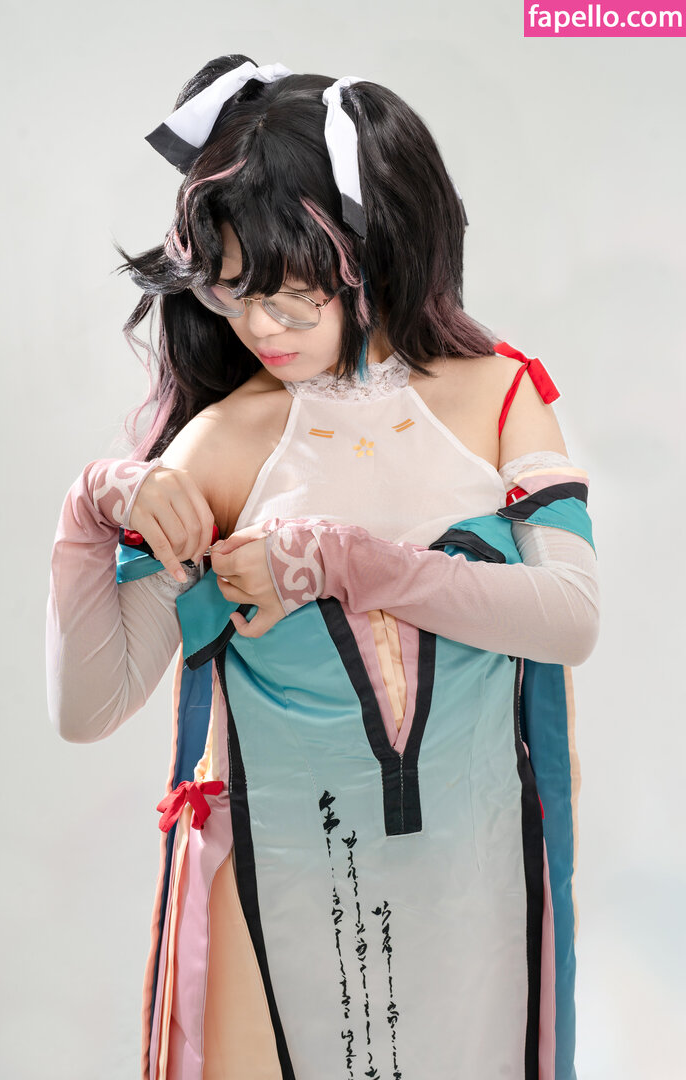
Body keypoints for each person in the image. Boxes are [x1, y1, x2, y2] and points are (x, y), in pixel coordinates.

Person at [45, 55, 600, 1080]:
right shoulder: (222, 443)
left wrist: (342, 560)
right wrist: (87, 513)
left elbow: (568, 617)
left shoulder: (500, 396)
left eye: (294, 297)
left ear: (378, 252)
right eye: (234, 290)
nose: (260, 328)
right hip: (279, 897)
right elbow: (92, 704)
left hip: (470, 900)